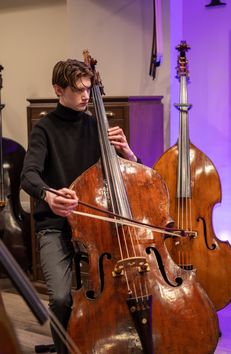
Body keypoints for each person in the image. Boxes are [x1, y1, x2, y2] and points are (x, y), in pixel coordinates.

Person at [21, 58, 139, 354]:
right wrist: (48, 195)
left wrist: (128, 153)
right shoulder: (44, 129)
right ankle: (63, 349)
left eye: (88, 88)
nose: (86, 96)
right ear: (59, 90)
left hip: (97, 227)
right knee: (60, 298)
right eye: (78, 90)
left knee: (125, 285)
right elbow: (28, 175)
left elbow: (134, 179)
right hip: (57, 226)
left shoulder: (97, 125)